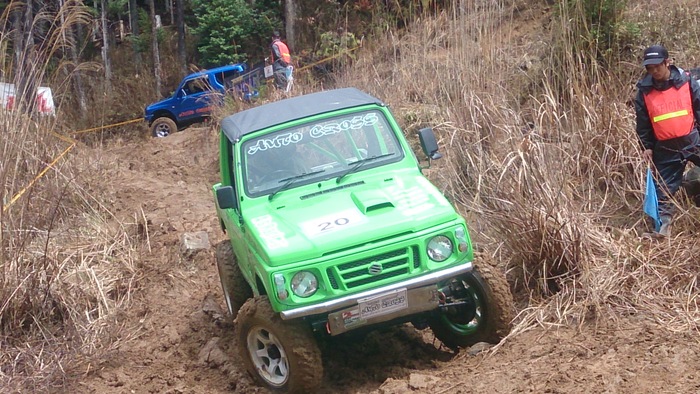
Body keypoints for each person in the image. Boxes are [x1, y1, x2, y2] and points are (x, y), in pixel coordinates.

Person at [634, 44, 700, 238]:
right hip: (665, 147)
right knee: (663, 191)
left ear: (667, 62)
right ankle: (663, 231)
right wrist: (646, 147)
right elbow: (643, 123)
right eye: (649, 68)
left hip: (692, 140)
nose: (654, 71)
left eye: (657, 66)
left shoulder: (688, 82)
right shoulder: (644, 91)